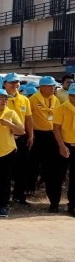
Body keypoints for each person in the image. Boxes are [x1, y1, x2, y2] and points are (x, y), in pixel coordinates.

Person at [0, 89, 25, 217]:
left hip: (8, 151)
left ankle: (3, 206)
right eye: (1, 98)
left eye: (6, 98)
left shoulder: (11, 113)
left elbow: (21, 131)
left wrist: (8, 123)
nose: (4, 101)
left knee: (5, 180)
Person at [2, 72, 34, 205]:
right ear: (5, 84)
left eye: (17, 82)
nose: (15, 85)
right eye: (12, 82)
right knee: (6, 169)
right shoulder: (1, 98)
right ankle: (4, 197)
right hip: (5, 138)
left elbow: (28, 118)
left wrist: (31, 135)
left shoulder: (24, 99)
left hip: (21, 137)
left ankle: (19, 195)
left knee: (22, 168)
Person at [29, 76, 61, 208]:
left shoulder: (56, 100)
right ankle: (28, 190)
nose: (53, 88)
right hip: (37, 136)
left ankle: (54, 201)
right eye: (50, 86)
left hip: (52, 135)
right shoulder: (33, 99)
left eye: (54, 86)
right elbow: (28, 118)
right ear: (42, 87)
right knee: (33, 165)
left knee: (52, 168)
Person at [52, 84, 75, 217]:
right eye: (71, 95)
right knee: (58, 175)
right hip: (64, 145)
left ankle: (72, 204)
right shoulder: (61, 108)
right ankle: (54, 202)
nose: (73, 98)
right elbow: (56, 128)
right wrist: (61, 146)